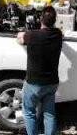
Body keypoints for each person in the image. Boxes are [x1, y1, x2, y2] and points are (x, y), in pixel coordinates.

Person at [17, 7, 63, 135]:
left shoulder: (32, 35)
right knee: (49, 114)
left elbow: (19, 39)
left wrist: (21, 33)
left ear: (40, 19)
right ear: (54, 20)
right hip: (52, 83)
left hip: (34, 83)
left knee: (29, 112)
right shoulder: (58, 34)